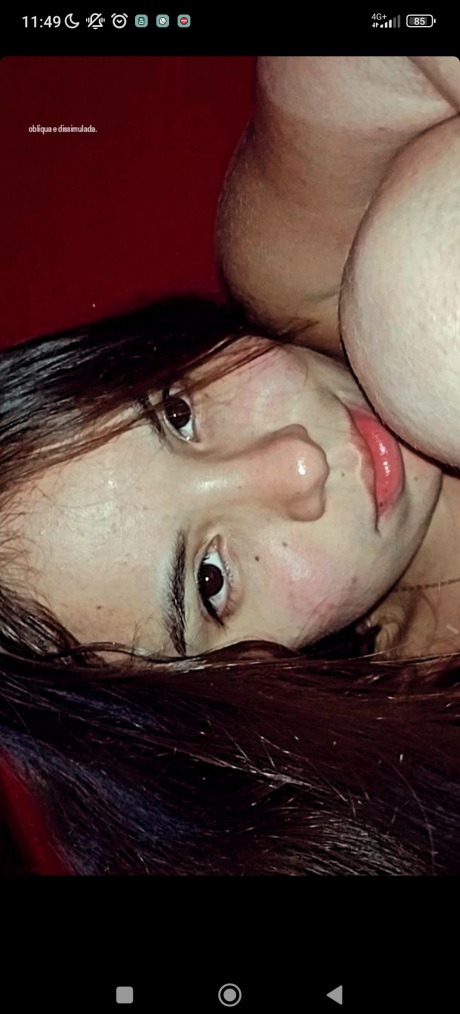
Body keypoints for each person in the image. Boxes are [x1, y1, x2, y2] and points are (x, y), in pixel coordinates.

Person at [0, 59, 458, 874]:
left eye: (177, 413)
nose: (296, 465)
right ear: (236, 685)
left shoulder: (302, 277)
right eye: (210, 580)